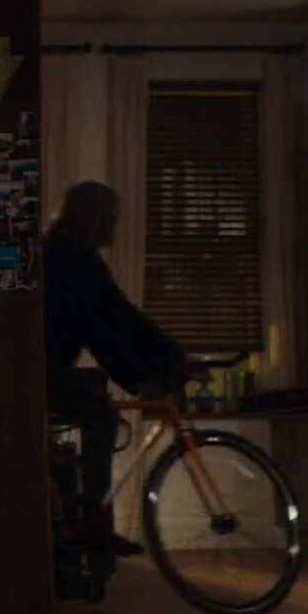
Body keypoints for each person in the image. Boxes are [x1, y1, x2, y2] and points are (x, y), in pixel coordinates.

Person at [43, 181, 190, 558]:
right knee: (102, 417)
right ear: (94, 219)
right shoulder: (75, 259)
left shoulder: (56, 251)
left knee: (92, 399)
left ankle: (76, 513)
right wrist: (170, 359)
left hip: (34, 368)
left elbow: (105, 327)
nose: (114, 227)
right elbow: (117, 319)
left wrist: (143, 370)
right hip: (40, 373)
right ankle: (94, 524)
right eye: (111, 219)